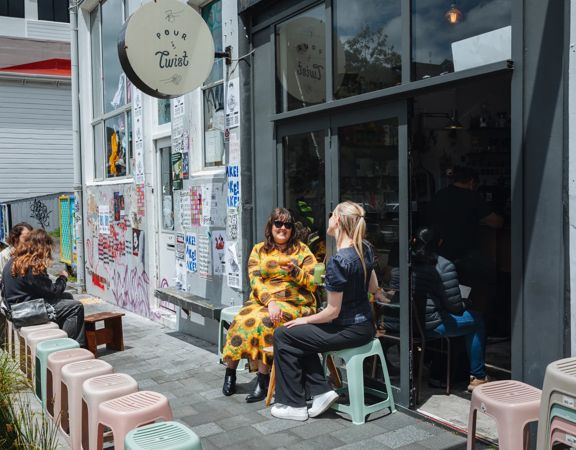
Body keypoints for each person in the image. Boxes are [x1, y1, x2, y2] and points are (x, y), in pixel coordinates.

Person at [271, 201, 379, 421]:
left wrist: (306, 320)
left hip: (348, 328)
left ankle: (294, 405)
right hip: (365, 326)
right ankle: (321, 391)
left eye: (331, 214)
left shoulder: (339, 260)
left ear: (337, 220)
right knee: (301, 336)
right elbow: (374, 288)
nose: (328, 218)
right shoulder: (364, 248)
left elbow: (332, 312)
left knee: (283, 334)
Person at [221, 208, 318, 402]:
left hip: (294, 302)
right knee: (241, 320)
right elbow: (254, 280)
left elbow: (313, 283)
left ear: (292, 229)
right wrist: (270, 301)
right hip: (263, 300)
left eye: (287, 225)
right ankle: (230, 373)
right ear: (271, 226)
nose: (283, 228)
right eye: (278, 224)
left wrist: (295, 272)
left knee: (265, 321)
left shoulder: (302, 250)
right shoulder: (259, 249)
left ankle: (263, 380)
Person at [408, 227, 488, 392]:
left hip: (403, 323)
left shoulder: (405, 261)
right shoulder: (444, 265)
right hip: (430, 326)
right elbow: (456, 308)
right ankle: (478, 377)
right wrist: (466, 302)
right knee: (477, 321)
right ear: (440, 243)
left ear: (413, 241)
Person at [1, 229, 85, 346]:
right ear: (41, 247)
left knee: (68, 297)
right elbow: (53, 291)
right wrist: (62, 277)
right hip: (25, 312)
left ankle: (61, 335)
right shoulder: (31, 265)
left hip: (16, 308)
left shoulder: (14, 260)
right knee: (75, 307)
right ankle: (71, 346)